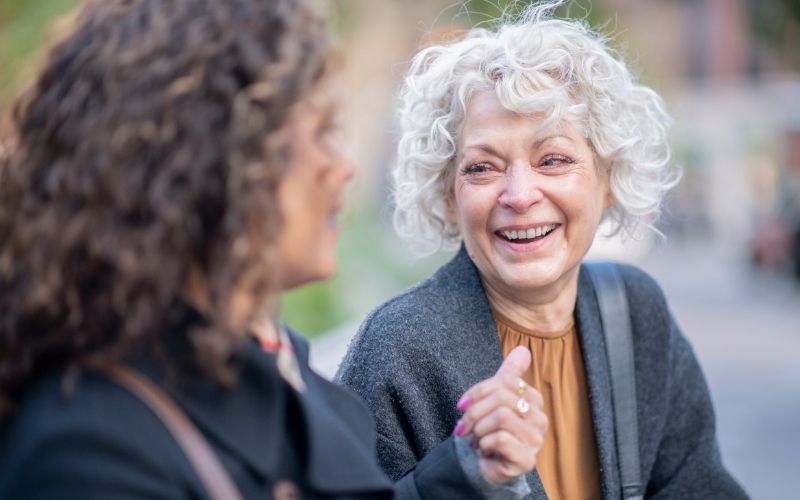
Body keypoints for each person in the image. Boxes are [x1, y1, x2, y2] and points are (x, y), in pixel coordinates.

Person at [0, 0, 535, 498]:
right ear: (213, 160)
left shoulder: (285, 371)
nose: (344, 165)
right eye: (323, 131)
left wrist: (469, 467)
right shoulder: (90, 449)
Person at [336, 3, 749, 499]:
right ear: (448, 197)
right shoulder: (398, 350)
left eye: (553, 159)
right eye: (482, 168)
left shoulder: (636, 315)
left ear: (608, 178)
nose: (520, 194)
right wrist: (465, 473)